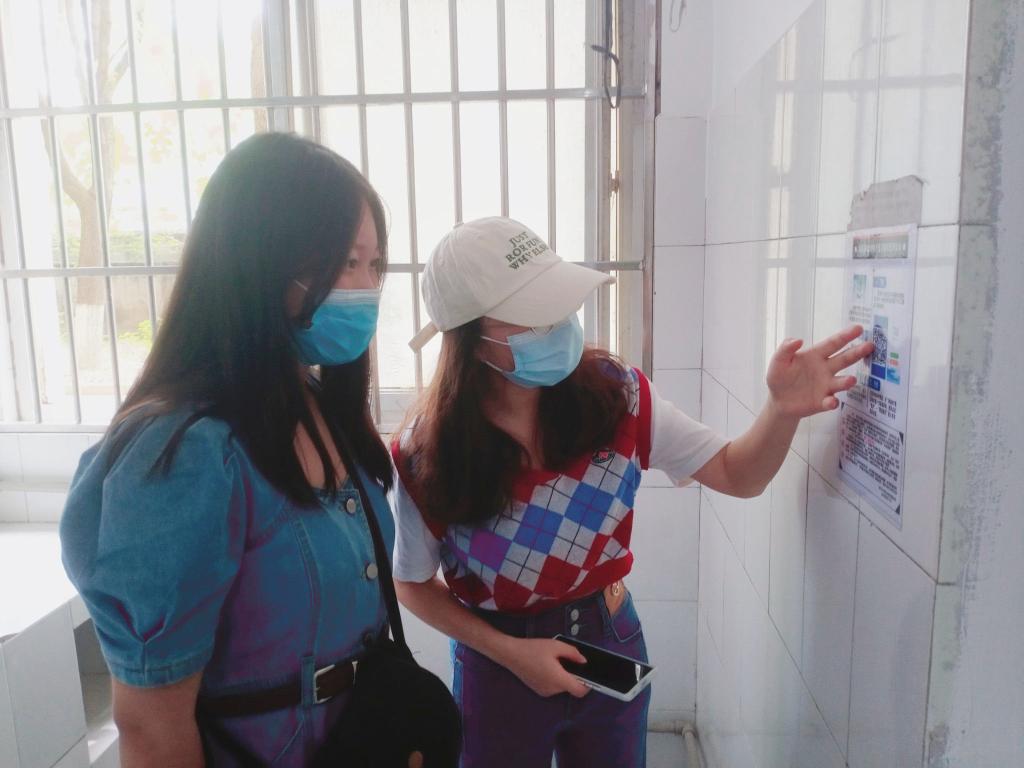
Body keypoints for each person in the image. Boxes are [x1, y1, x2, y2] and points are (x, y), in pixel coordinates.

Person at [390, 217, 873, 768]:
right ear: (470, 338)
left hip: (607, 637)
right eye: (535, 314)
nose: (559, 323)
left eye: (559, 304)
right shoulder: (426, 454)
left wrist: (781, 411)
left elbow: (739, 475)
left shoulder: (618, 398)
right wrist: (513, 654)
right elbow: (412, 583)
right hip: (497, 661)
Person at [59, 132, 433, 766]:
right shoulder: (183, 457)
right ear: (258, 262)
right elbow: (151, 728)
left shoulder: (322, 405)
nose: (365, 287)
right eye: (346, 262)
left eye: (375, 266)